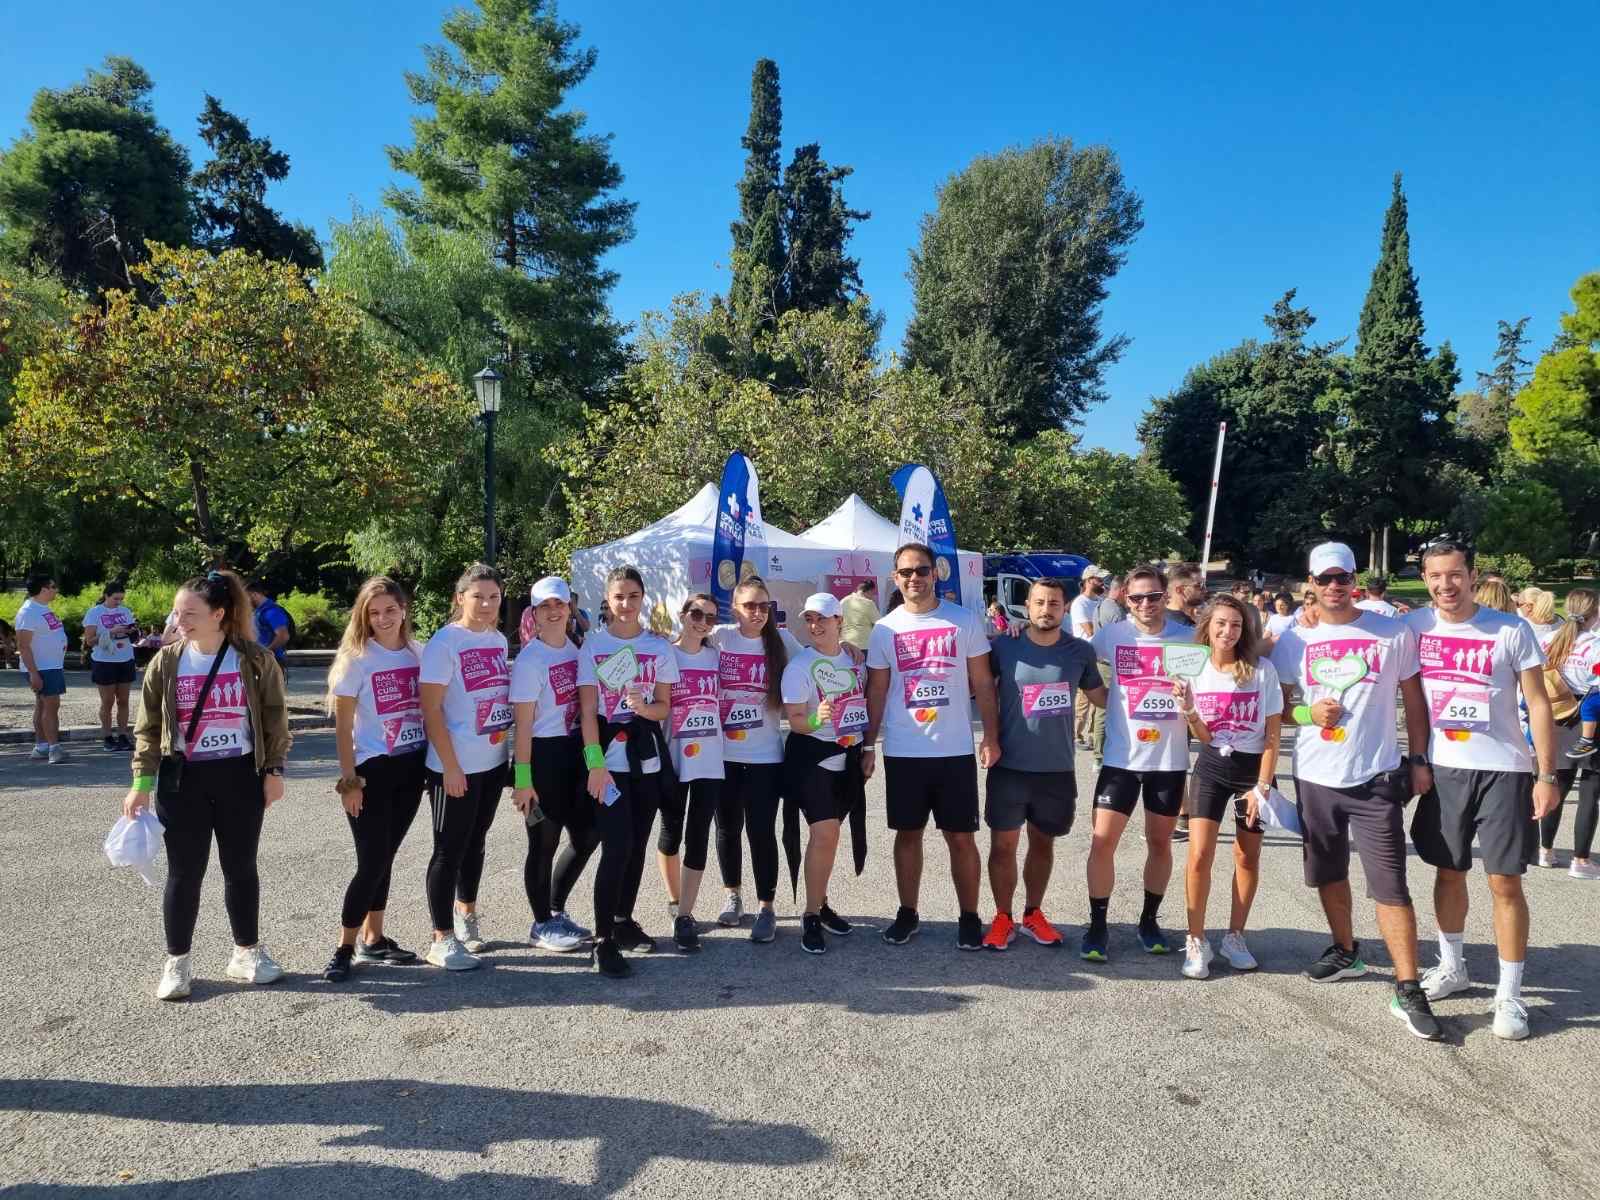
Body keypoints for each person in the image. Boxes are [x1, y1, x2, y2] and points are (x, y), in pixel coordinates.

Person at [1269, 542, 1442, 1041]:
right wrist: (1309, 713)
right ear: (1311, 583)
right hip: (1315, 775)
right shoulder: (1295, 640)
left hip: (1376, 777)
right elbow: (1279, 709)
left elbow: (1414, 701)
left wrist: (1419, 759)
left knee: (1390, 885)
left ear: (1355, 580)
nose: (1334, 586)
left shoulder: (1390, 632)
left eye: (1342, 577)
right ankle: (1345, 951)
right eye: (1324, 579)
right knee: (1328, 872)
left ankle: (1408, 986)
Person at [1403, 541, 1559, 1041]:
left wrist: (1546, 774)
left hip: (1504, 770)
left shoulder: (1510, 629)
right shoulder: (1414, 627)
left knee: (1504, 882)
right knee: (1448, 872)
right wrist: (1419, 760)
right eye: (1435, 576)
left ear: (1472, 576)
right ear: (1425, 579)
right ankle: (1453, 967)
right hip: (1445, 769)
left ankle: (1509, 995)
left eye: (1454, 574)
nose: (1445, 585)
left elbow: (1538, 702)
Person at [123, 570, 289, 1001]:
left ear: (219, 613)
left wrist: (274, 771)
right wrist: (141, 782)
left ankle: (246, 952)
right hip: (183, 780)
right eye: (176, 613)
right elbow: (148, 728)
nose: (179, 622)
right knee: (184, 873)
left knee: (241, 868)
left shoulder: (254, 659)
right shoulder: (166, 661)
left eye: (189, 614)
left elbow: (275, 718)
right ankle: (177, 962)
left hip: (240, 776)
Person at [865, 543, 999, 949]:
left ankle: (969, 916)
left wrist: (991, 736)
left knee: (961, 837)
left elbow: (983, 683)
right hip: (904, 750)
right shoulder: (884, 629)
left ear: (935, 573)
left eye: (921, 570)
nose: (914, 578)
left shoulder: (963, 620)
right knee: (908, 835)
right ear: (895, 578)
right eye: (906, 572)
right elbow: (877, 690)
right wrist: (868, 744)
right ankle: (908, 913)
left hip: (954, 750)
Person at [1079, 563, 1194, 961]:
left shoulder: (1187, 638)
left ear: (1167, 596)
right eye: (1137, 597)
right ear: (1125, 599)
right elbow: (1073, 654)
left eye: (1154, 596)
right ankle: (1097, 926)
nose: (1146, 604)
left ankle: (1149, 921)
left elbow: (1229, 657)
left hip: (1168, 760)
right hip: (1121, 759)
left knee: (1160, 843)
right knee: (1102, 842)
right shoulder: (1113, 635)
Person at [982, 579, 1105, 950]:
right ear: (1028, 606)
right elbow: (979, 688)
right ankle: (1002, 917)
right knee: (1003, 846)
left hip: (1056, 769)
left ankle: (1033, 913)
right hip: (1010, 765)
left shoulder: (1080, 651)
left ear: (1065, 607)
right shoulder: (1004, 645)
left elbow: (1102, 699)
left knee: (1042, 844)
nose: (1046, 609)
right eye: (1039, 602)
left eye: (1053, 603)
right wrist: (988, 738)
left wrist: (1155, 689)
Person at [322, 577, 428, 982]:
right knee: (370, 862)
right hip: (372, 771)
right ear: (363, 616)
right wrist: (349, 782)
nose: (383, 618)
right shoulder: (357, 659)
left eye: (390, 610)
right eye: (374, 612)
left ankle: (374, 938)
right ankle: (344, 948)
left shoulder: (419, 653)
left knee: (386, 857)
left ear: (404, 609)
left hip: (411, 767)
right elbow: (342, 728)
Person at [578, 565, 679, 977]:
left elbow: (664, 707)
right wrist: (595, 765)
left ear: (642, 598)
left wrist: (643, 708)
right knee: (616, 847)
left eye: (633, 596)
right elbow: (587, 711)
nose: (626, 604)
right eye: (619, 596)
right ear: (608, 599)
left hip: (646, 760)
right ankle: (602, 940)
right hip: (608, 762)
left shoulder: (658, 647)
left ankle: (622, 920)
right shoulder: (593, 645)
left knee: (637, 845)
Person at [1176, 595, 1282, 979]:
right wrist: (1189, 709)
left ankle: (1235, 937)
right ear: (1207, 626)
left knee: (1246, 857)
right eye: (1220, 623)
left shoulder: (1262, 671)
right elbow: (1204, 737)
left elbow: (1273, 735)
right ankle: (1196, 939)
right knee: (1199, 856)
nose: (1228, 631)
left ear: (1245, 630)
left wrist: (1263, 786)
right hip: (1211, 768)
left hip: (1253, 773)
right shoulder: (1194, 669)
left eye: (1236, 624)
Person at [418, 563, 511, 972]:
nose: (487, 604)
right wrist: (451, 767)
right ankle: (441, 938)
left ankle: (465, 914)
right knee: (448, 850)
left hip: (492, 762)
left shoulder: (498, 640)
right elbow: (431, 710)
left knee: (476, 843)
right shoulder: (445, 643)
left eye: (494, 597)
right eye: (478, 597)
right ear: (460, 598)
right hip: (454, 767)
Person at [709, 576, 805, 941]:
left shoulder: (783, 641)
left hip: (766, 757)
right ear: (735, 608)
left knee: (762, 831)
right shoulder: (720, 637)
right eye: (750, 605)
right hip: (723, 756)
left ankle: (767, 906)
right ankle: (732, 896)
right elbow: (681, 646)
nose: (758, 612)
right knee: (727, 829)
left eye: (765, 606)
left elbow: (816, 661)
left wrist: (845, 646)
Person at [508, 576, 597, 956]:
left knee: (587, 836)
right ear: (535, 613)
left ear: (569, 608)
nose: (554, 611)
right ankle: (541, 922)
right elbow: (523, 726)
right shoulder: (530, 660)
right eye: (545, 606)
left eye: (559, 604)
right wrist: (522, 780)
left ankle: (556, 910)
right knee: (543, 843)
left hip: (575, 752)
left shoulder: (577, 649)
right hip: (541, 757)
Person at [781, 592, 870, 954]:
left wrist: (868, 750)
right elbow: (796, 721)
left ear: (839, 621)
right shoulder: (799, 667)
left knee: (828, 840)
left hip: (848, 760)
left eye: (822, 618)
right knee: (825, 833)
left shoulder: (855, 662)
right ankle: (810, 915)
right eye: (810, 619)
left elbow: (862, 710)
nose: (815, 625)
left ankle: (821, 901)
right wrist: (817, 718)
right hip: (810, 758)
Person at [658, 592, 724, 952]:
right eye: (697, 614)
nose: (702, 622)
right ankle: (674, 899)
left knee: (698, 835)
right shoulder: (665, 653)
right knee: (670, 833)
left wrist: (848, 645)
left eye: (710, 617)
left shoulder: (716, 656)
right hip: (673, 757)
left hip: (709, 760)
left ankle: (685, 915)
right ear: (683, 614)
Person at [1536, 590, 1600, 877]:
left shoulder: (1549, 640)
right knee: (1589, 792)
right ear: (1595, 613)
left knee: (1557, 786)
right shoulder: (1596, 645)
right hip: (1590, 721)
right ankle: (1580, 859)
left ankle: (1546, 850)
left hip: (1556, 716)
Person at [16, 573, 69, 764]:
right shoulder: (28, 612)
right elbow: (23, 646)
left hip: (51, 665)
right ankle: (54, 749)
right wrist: (33, 673)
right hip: (43, 667)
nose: (56, 590)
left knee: (43, 705)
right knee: (51, 706)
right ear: (43, 589)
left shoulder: (42, 608)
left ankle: (41, 747)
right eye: (53, 587)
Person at [82, 580, 139, 751]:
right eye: (115, 599)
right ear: (106, 596)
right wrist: (111, 632)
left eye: (121, 599)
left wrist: (132, 631)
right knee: (107, 701)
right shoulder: (94, 612)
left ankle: (122, 735)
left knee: (124, 700)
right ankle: (107, 737)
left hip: (125, 659)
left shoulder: (125, 611)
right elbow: (90, 641)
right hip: (104, 661)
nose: (119, 602)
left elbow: (132, 634)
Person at [1071, 569, 1107, 749]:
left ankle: (1092, 735)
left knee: (1097, 699)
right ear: (1088, 580)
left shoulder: (1100, 601)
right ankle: (1076, 734)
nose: (1102, 582)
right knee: (1083, 699)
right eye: (1099, 579)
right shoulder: (1080, 603)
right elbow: (1090, 630)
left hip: (1099, 656)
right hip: (1083, 656)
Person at [245, 580, 292, 667]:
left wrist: (265, 652)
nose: (245, 602)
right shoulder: (259, 611)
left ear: (254, 595)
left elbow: (283, 636)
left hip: (272, 661)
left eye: (246, 598)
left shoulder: (272, 611)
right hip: (262, 660)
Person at [840, 580, 880, 653]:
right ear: (869, 591)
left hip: (845, 645)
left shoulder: (843, 601)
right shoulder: (869, 603)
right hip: (863, 646)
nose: (872, 596)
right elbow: (878, 624)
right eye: (872, 593)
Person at [1165, 562, 1205, 628]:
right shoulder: (1183, 627)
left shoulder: (1164, 616)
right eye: (1198, 586)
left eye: (1203, 584)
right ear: (1180, 590)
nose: (1204, 590)